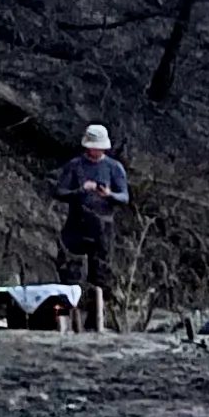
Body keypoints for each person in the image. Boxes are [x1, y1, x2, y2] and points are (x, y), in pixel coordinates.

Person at [51, 124, 132, 330]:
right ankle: (67, 318)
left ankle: (96, 320)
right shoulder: (75, 165)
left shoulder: (114, 168)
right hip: (76, 223)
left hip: (103, 226)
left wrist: (109, 195)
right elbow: (60, 191)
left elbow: (124, 197)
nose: (97, 151)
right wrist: (80, 190)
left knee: (101, 275)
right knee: (70, 273)